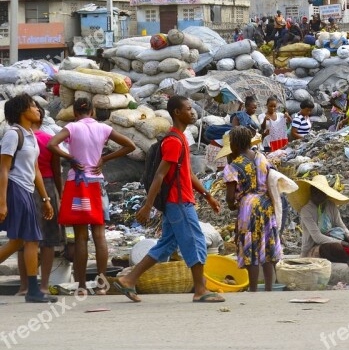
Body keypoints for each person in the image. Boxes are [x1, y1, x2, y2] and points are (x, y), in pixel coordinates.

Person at [114, 96, 225, 303]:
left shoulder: (181, 138)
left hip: (178, 201)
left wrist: (208, 195)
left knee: (165, 245)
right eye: (189, 109)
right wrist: (148, 205)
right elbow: (159, 175)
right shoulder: (174, 141)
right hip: (179, 201)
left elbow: (188, 173)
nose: (193, 112)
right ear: (177, 113)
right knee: (195, 240)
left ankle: (129, 279)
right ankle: (200, 290)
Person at [47, 97, 135, 294]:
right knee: (99, 234)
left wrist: (70, 157)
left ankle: (81, 287)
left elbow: (52, 144)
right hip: (96, 183)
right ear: (93, 112)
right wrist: (104, 158)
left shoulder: (72, 127)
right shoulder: (103, 129)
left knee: (80, 237)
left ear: (75, 113)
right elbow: (130, 145)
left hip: (77, 184)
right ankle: (102, 285)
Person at [0, 94, 58, 303]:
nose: (37, 109)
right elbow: (3, 169)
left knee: (17, 242)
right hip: (15, 189)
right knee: (31, 239)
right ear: (22, 111)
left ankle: (33, 290)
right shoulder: (13, 135)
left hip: (27, 190)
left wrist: (45, 199)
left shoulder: (31, 136)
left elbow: (36, 171)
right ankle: (33, 291)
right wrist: (2, 202)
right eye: (33, 106)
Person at [221, 127, 281, 292]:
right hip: (266, 204)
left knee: (251, 248)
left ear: (234, 144)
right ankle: (269, 288)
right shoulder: (262, 158)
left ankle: (253, 289)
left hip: (248, 207)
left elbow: (230, 197)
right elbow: (272, 179)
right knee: (267, 246)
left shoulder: (233, 166)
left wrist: (232, 205)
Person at [16, 106, 64, 296]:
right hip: (48, 186)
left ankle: (24, 286)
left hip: (22, 187)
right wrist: (58, 195)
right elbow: (56, 169)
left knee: (22, 240)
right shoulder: (48, 140)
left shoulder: (18, 138)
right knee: (48, 240)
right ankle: (43, 285)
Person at [293, 175, 349, 264]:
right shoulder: (306, 211)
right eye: (316, 192)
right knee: (334, 248)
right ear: (312, 193)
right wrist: (341, 243)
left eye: (322, 193)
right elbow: (317, 237)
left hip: (335, 239)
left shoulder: (330, 205)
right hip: (317, 247)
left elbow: (340, 224)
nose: (319, 195)